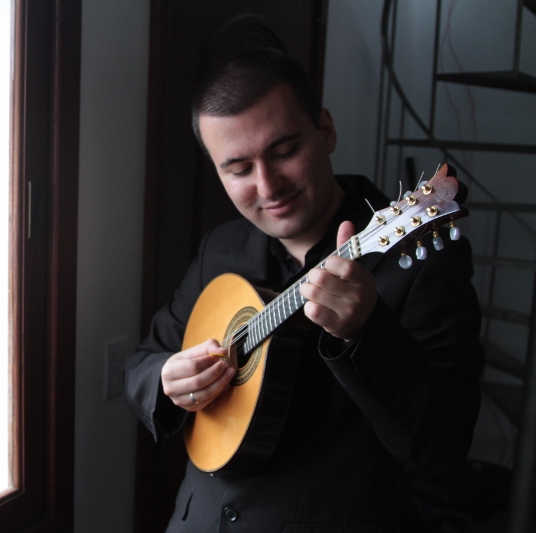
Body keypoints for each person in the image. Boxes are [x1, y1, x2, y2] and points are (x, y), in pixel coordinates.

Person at [124, 48, 484, 532]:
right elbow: (144, 362)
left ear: (326, 131)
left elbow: (443, 449)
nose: (268, 186)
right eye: (239, 169)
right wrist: (167, 378)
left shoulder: (418, 264)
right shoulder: (221, 247)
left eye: (284, 152)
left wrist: (367, 332)